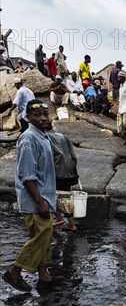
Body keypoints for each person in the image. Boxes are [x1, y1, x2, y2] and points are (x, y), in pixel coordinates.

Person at [2, 100, 59, 292]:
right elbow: (27, 176)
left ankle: (44, 274)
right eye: (37, 115)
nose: (43, 118)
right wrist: (39, 201)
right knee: (43, 235)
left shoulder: (42, 136)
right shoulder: (28, 139)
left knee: (42, 236)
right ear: (28, 118)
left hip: (45, 196)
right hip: (35, 199)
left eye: (45, 114)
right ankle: (15, 270)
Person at [47, 127, 79, 232]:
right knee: (65, 197)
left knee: (50, 195)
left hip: (58, 172)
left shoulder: (45, 138)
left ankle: (59, 218)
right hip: (70, 170)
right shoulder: (62, 136)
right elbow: (73, 155)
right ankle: (72, 224)